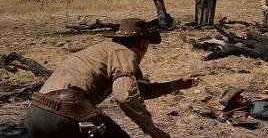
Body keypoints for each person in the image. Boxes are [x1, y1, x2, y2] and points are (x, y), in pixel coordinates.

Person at [25, 18, 199, 138]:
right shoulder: (124, 52)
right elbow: (124, 96)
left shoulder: (103, 51)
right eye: (147, 45)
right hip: (64, 115)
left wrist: (178, 84)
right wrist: (152, 130)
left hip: (36, 115)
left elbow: (139, 90)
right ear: (142, 43)